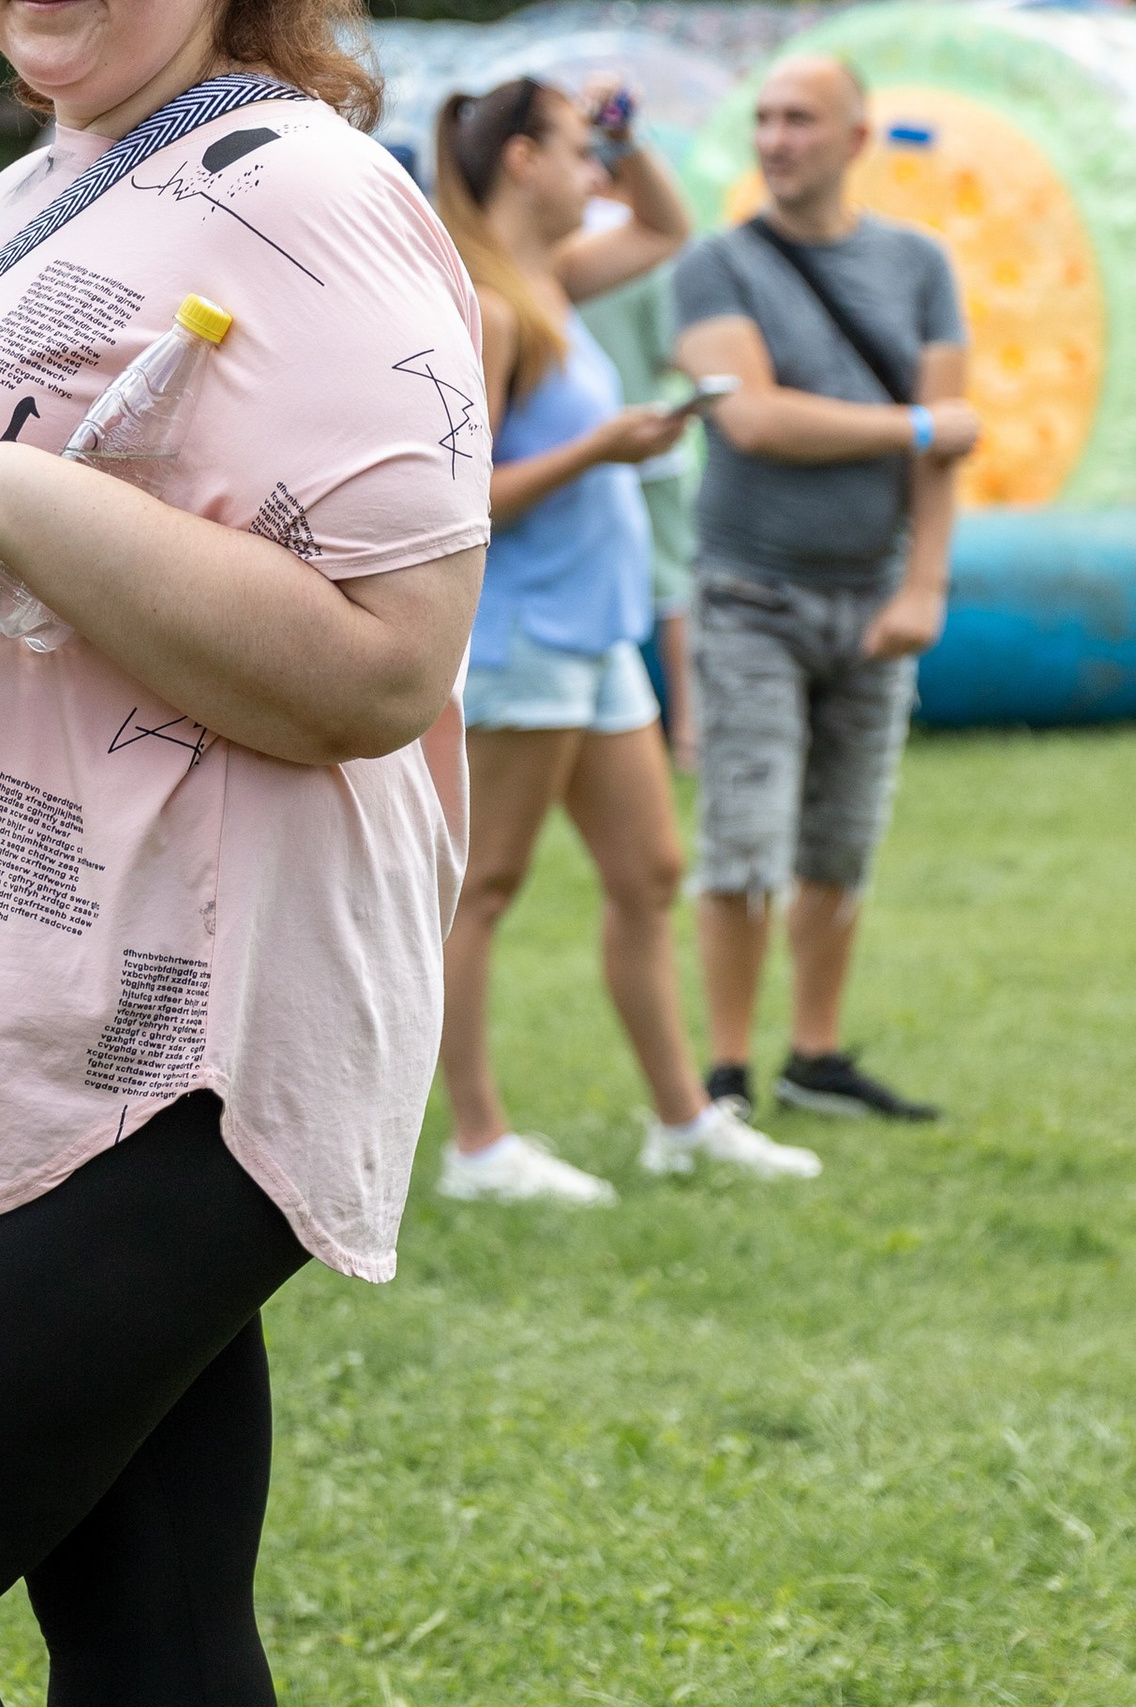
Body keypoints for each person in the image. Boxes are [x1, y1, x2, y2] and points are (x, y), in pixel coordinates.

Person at [0, 0, 490, 1689]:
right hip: (11, 993)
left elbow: (387, 663)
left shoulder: (304, 191)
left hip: (156, 1015)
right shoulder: (46, 180)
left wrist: (20, 498)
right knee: (150, 1618)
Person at [429, 78, 816, 1208]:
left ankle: (682, 1122)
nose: (595, 176)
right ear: (518, 163)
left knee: (647, 874)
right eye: (575, 152)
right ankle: (477, 1146)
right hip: (521, 633)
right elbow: (465, 497)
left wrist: (619, 128)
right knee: (484, 890)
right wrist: (600, 449)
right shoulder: (488, 306)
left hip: (593, 636)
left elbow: (664, 227)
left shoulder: (550, 278)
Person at [673, 54, 973, 1123]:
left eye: (799, 119)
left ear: (855, 139)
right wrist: (919, 426)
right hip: (749, 595)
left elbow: (944, 450)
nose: (774, 138)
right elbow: (749, 417)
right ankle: (725, 1076)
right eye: (762, 117)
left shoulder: (919, 264)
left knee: (842, 845)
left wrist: (924, 585)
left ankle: (815, 1057)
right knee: (743, 844)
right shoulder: (713, 267)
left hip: (876, 595)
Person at [578, 233, 702, 770]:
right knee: (673, 590)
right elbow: (672, 351)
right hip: (644, 445)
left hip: (592, 451)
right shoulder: (635, 256)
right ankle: (691, 734)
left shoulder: (547, 258)